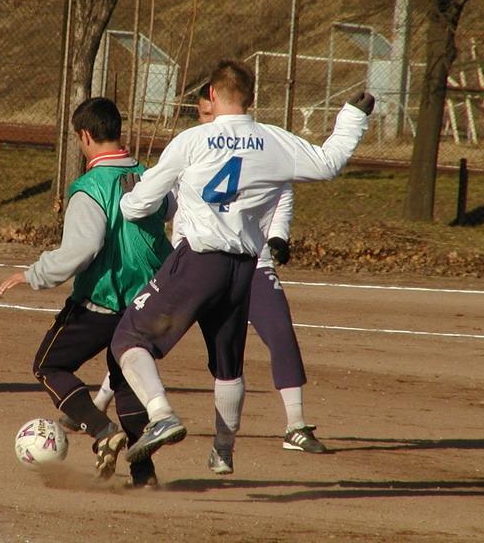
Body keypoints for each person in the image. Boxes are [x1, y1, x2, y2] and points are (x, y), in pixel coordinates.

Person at [108, 59, 374, 466]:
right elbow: (328, 163)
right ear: (251, 98)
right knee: (228, 366)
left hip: (198, 262)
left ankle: (161, 415)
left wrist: (130, 201)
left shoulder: (192, 140)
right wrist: (353, 117)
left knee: (128, 339)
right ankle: (223, 449)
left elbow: (140, 205)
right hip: (244, 269)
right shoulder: (274, 140)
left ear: (212, 94)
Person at [0, 97, 174, 486]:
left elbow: (83, 249)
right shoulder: (149, 177)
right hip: (145, 303)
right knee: (127, 383)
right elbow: (172, 214)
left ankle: (101, 430)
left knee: (49, 365)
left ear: (85, 136)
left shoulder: (89, 187)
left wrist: (34, 274)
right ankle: (144, 475)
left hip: (100, 303)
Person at [189, 84, 326, 474]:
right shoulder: (193, 147)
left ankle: (295, 424)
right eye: (203, 113)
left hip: (252, 261)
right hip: (198, 263)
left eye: (213, 111)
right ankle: (103, 402)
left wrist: (278, 236)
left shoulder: (260, 146)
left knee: (280, 331)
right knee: (151, 331)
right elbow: (172, 203)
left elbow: (282, 191)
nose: (211, 120)